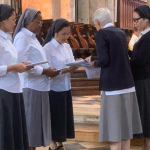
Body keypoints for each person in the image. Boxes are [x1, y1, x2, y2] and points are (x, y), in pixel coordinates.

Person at [86, 8, 142, 150]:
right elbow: (117, 56)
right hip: (127, 84)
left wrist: (94, 63)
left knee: (114, 130)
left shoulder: (101, 34)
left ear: (97, 22)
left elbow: (104, 61)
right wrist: (95, 58)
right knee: (125, 129)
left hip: (113, 88)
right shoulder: (121, 32)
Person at [13, 8, 59, 150]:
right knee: (31, 129)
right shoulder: (22, 37)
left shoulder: (32, 37)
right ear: (27, 22)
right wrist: (45, 71)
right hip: (31, 87)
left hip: (40, 86)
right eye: (37, 22)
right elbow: (22, 65)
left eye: (41, 22)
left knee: (36, 129)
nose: (40, 25)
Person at [0, 4, 33, 150]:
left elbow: (9, 62)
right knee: (6, 132)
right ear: (3, 20)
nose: (15, 23)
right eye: (13, 20)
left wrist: (21, 65)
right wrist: (15, 67)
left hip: (15, 89)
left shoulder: (7, 38)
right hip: (3, 91)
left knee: (15, 131)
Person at [43, 18, 77, 150]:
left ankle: (59, 145)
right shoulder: (47, 48)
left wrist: (76, 65)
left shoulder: (67, 46)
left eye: (68, 33)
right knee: (55, 120)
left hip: (66, 87)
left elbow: (71, 62)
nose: (66, 37)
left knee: (63, 120)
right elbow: (47, 71)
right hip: (53, 89)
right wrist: (65, 70)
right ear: (55, 32)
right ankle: (53, 146)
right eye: (64, 33)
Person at [129, 5, 150, 150]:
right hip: (141, 79)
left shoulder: (148, 37)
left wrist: (126, 59)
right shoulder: (143, 36)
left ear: (146, 19)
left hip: (144, 80)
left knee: (146, 116)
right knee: (143, 115)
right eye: (133, 20)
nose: (134, 23)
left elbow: (140, 60)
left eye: (137, 20)